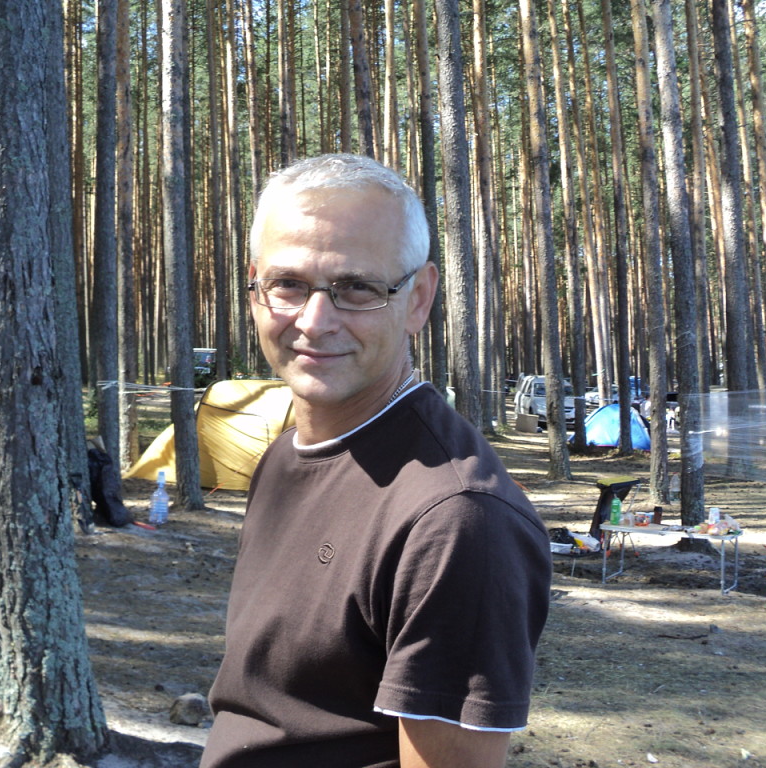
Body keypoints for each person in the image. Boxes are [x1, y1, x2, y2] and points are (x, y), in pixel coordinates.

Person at [201, 154, 552, 768]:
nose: (315, 321)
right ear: (254, 287)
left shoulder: (457, 521)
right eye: (288, 284)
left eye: (357, 288)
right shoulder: (285, 454)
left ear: (418, 299)